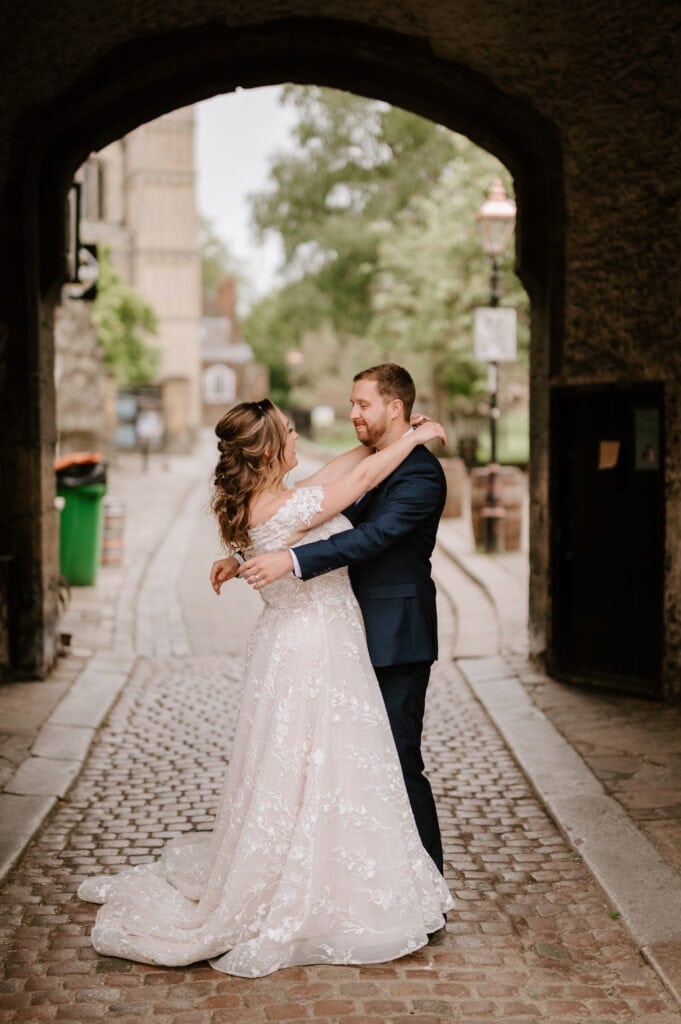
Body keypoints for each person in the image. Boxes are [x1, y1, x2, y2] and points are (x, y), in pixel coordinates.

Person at [78, 396, 452, 978]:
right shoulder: (291, 503)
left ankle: (316, 866)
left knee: (306, 764)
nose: (301, 434)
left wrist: (391, 438)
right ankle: (325, 886)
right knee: (325, 760)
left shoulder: (272, 497)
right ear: (273, 449)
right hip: (314, 643)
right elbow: (359, 481)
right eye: (290, 431)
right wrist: (412, 439)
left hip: (292, 641)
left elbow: (344, 470)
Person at [215, 364, 447, 876]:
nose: (351, 414)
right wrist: (250, 553)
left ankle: (426, 881)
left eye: (362, 405)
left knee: (398, 763)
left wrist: (286, 560)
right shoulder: (341, 473)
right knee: (331, 766)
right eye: (351, 403)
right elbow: (315, 505)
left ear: (394, 406)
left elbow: (370, 538)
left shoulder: (420, 474)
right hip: (329, 638)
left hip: (391, 637)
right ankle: (344, 875)